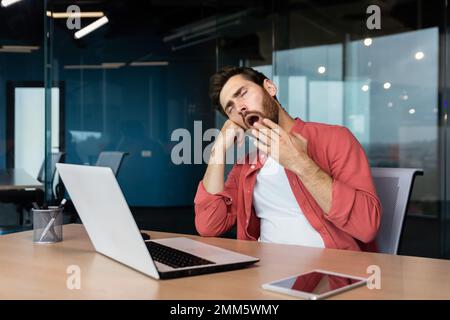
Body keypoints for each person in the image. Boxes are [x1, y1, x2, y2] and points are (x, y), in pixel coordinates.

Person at [194, 66, 381, 252]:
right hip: (262, 272)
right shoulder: (246, 165)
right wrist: (218, 150)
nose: (240, 108)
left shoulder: (335, 138)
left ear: (269, 88)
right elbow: (208, 225)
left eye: (243, 93)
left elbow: (366, 226)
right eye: (231, 108)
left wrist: (299, 162)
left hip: (327, 272)